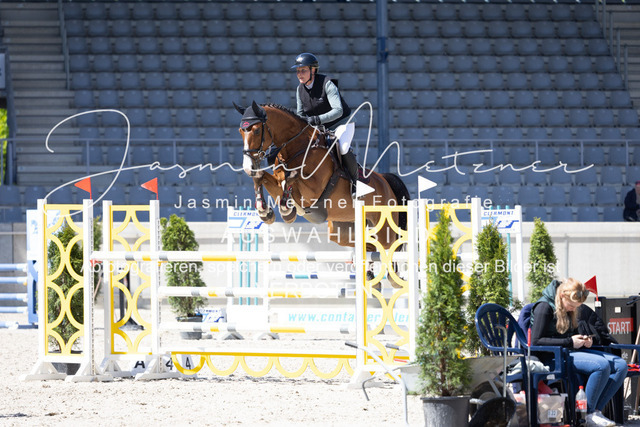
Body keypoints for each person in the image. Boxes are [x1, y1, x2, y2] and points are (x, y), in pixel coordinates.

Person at [530, 278, 627, 427]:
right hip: (551, 357)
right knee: (601, 365)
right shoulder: (544, 307)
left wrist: (585, 340)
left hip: (569, 352)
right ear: (562, 295)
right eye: (571, 305)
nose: (572, 309)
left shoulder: (569, 308)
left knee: (621, 365)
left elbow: (572, 335)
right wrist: (570, 342)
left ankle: (595, 412)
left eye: (576, 307)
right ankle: (587, 414)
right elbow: (536, 342)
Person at [290, 52, 360, 196]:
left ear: (313, 70)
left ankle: (355, 183)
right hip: (321, 127)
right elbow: (300, 115)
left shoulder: (327, 84)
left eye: (303, 70)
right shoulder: (299, 89)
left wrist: (317, 120)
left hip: (342, 124)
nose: (299, 74)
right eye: (298, 71)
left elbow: (338, 110)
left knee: (343, 148)